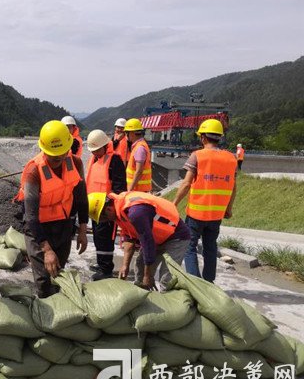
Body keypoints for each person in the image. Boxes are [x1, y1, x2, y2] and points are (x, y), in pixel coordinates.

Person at [16, 120, 88, 297]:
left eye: (62, 155)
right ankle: (44, 304)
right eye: (53, 156)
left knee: (58, 273)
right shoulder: (34, 171)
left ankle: (58, 305)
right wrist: (46, 249)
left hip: (63, 224)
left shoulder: (76, 163)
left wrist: (82, 229)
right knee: (43, 278)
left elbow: (81, 198)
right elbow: (31, 216)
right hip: (38, 227)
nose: (58, 160)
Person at [173, 119, 237, 283]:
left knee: (189, 247)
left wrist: (174, 204)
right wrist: (228, 209)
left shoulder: (197, 155)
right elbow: (233, 187)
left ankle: (196, 284)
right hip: (216, 215)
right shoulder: (231, 158)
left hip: (196, 213)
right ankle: (209, 283)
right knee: (210, 247)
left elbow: (186, 183)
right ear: (220, 137)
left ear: (203, 137)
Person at [93, 191, 190, 291]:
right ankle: (143, 294)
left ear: (108, 209)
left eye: (104, 219)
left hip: (176, 236)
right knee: (141, 267)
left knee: (167, 277)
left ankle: (168, 298)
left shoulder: (136, 213)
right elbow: (129, 237)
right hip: (156, 236)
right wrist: (125, 265)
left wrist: (148, 276)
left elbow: (148, 243)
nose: (107, 221)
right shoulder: (119, 211)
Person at [85, 129, 127, 280]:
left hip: (107, 209)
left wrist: (109, 202)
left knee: (105, 239)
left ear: (104, 146)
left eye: (97, 150)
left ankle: (106, 269)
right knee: (98, 237)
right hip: (94, 208)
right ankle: (101, 263)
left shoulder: (114, 161)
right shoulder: (94, 159)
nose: (94, 153)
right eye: (93, 150)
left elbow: (120, 187)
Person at [125, 118, 152, 192]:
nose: (126, 135)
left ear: (132, 133)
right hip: (139, 189)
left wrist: (130, 189)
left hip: (138, 190)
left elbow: (139, 171)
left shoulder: (139, 148)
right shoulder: (140, 145)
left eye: (127, 132)